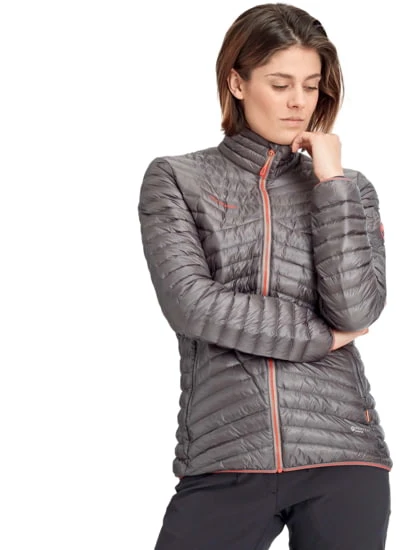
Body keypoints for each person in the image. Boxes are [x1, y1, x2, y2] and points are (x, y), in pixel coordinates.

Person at [137, 3, 392, 548]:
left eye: (311, 86)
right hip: (226, 454)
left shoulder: (349, 188)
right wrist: (318, 336)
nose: (299, 101)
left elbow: (356, 310)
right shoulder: (177, 179)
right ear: (237, 82)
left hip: (343, 455)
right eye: (280, 84)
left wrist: (331, 183)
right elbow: (191, 304)